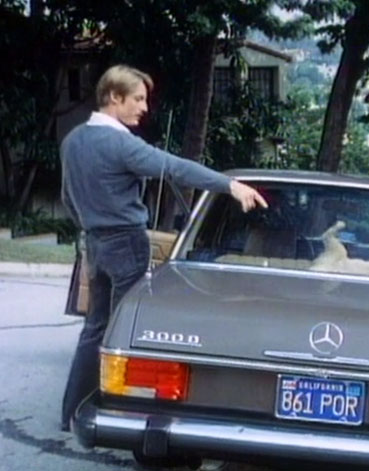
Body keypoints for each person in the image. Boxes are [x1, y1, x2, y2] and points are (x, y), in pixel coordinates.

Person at [59, 64, 268, 431]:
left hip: (93, 242)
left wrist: (89, 226)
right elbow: (174, 168)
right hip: (125, 241)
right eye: (138, 99)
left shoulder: (74, 139)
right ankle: (112, 417)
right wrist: (230, 186)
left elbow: (67, 197)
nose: (144, 107)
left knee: (94, 328)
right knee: (126, 332)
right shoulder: (120, 143)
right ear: (113, 97)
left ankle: (73, 412)